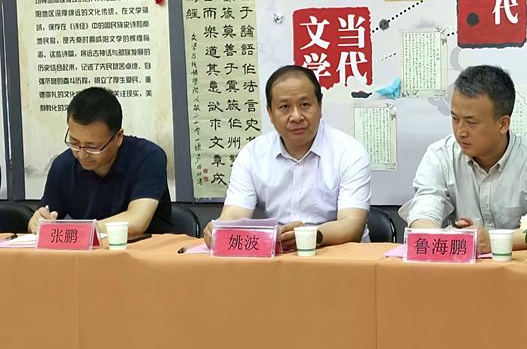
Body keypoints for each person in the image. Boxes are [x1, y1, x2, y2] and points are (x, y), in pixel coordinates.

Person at [399, 65, 527, 253]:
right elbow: (423, 212)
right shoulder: (439, 155)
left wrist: (494, 242)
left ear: (503, 124)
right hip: (461, 267)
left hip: (520, 268)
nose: (460, 131)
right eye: (455, 119)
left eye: (471, 122)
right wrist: (444, 238)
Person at [203, 65, 371, 250]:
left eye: (305, 105)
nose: (296, 116)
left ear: (320, 106)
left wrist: (308, 237)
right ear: (270, 113)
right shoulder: (252, 155)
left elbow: (351, 225)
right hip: (275, 257)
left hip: (335, 255)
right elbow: (234, 215)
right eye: (284, 107)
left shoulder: (349, 152)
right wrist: (220, 230)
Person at [28, 87, 172, 235]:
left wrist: (76, 231)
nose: (82, 154)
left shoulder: (148, 158)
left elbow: (136, 222)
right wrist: (38, 222)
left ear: (119, 137)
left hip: (147, 248)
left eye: (92, 147)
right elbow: (45, 215)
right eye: (74, 142)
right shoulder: (63, 165)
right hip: (88, 249)